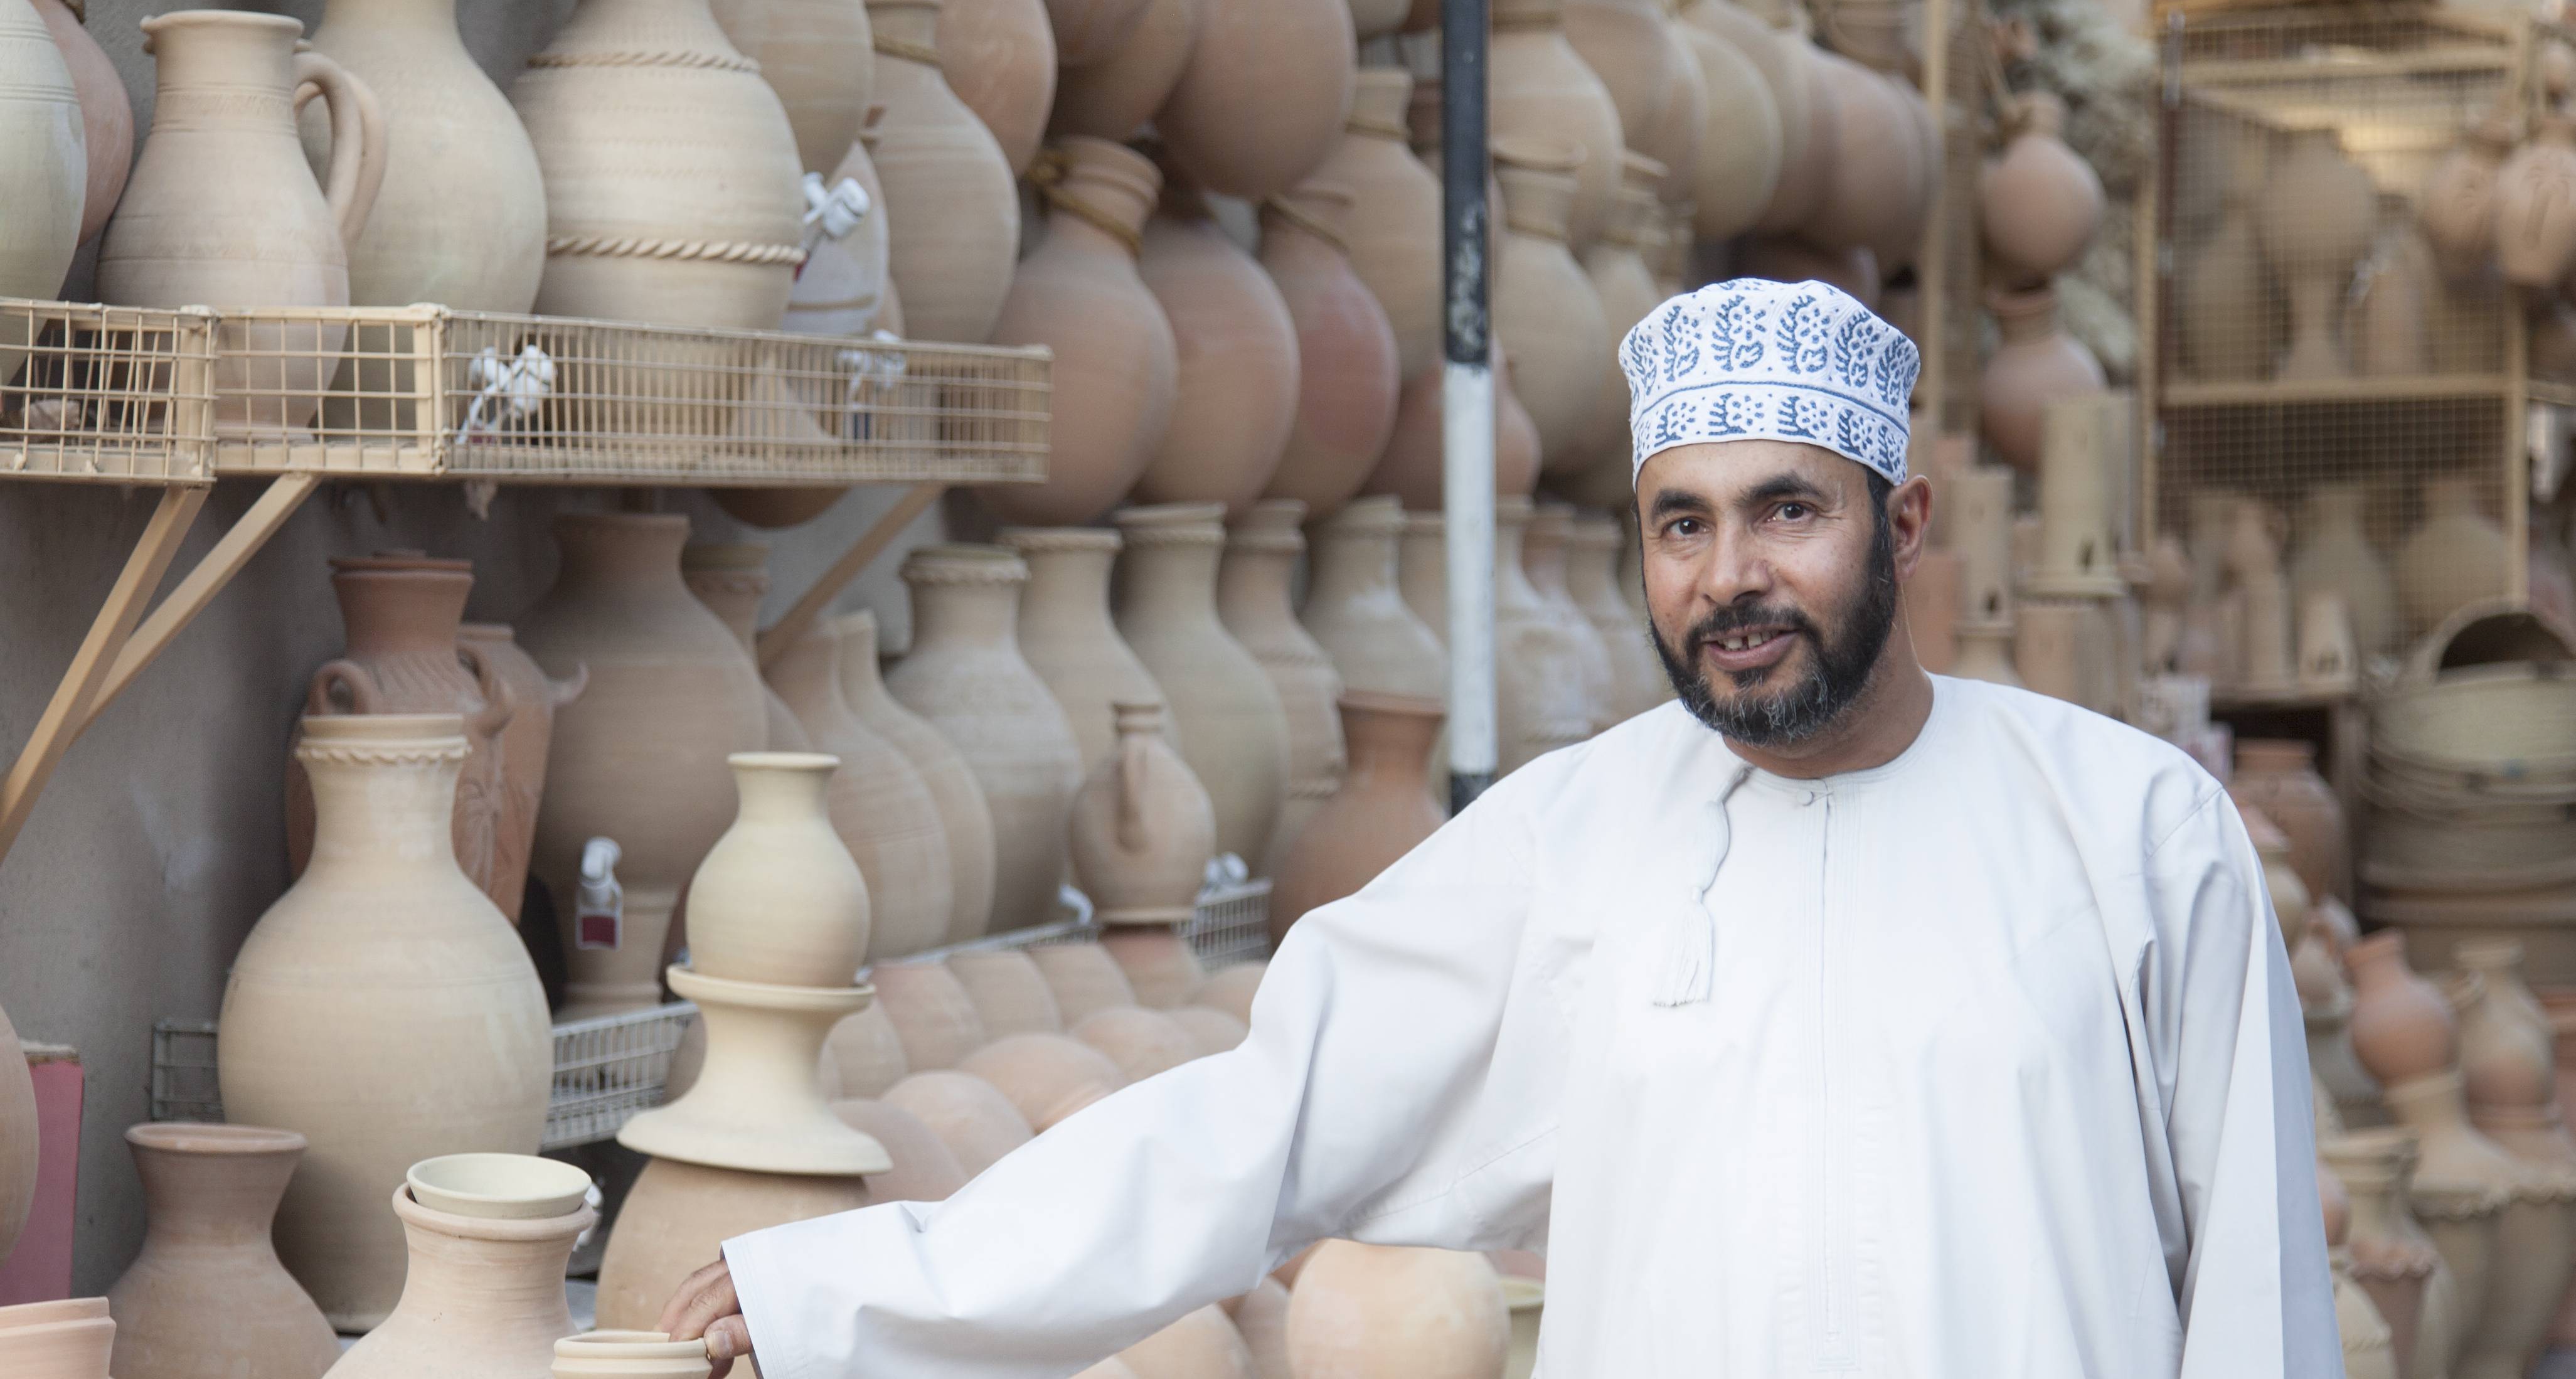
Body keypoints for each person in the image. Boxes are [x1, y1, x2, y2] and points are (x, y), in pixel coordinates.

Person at [663, 277, 2338, 1377]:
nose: (1728, 576)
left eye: (1788, 514)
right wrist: (850, 1292)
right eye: (1679, 524)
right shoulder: (1575, 842)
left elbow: (2255, 1299)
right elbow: (1258, 1130)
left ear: (1900, 520)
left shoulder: (2131, 833)